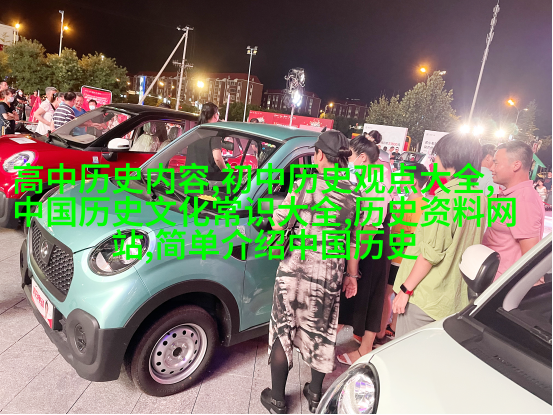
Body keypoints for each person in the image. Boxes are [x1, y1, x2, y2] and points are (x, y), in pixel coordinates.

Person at [261, 130, 363, 414]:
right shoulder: (355, 194)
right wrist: (351, 276)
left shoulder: (305, 184)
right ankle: (315, 395)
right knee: (323, 332)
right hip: (328, 273)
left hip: (294, 268)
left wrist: (272, 214)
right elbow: (354, 241)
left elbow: (279, 222)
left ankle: (277, 399)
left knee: (283, 328)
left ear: (319, 155)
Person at [392, 132, 486, 337]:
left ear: (451, 161)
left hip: (425, 298)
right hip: (453, 298)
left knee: (409, 352)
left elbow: (430, 254)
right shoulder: (478, 195)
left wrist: (405, 290)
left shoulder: (445, 199)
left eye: (437, 156)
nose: (434, 161)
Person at [336, 135, 391, 365]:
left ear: (361, 158)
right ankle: (339, 339)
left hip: (371, 245)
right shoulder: (367, 177)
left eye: (349, 156)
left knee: (371, 295)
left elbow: (367, 230)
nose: (346, 161)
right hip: (363, 243)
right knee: (355, 296)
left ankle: (365, 349)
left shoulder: (375, 184)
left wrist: (353, 267)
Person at [376, 163, 429, 344]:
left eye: (403, 177)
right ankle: (391, 326)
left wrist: (395, 238)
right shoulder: (412, 203)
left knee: (387, 294)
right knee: (394, 294)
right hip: (399, 258)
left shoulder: (417, 206)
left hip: (401, 260)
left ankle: (381, 331)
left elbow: (414, 237)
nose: (399, 180)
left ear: (413, 181)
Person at [482, 141, 545, 280]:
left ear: (516, 165)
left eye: (496, 163)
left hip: (501, 286)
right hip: (489, 279)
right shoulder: (510, 195)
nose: (491, 168)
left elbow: (531, 261)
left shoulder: (523, 201)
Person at [185, 103, 226, 178]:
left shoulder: (194, 130)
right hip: (206, 179)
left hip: (190, 178)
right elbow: (217, 158)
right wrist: (226, 171)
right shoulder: (214, 133)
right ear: (215, 115)